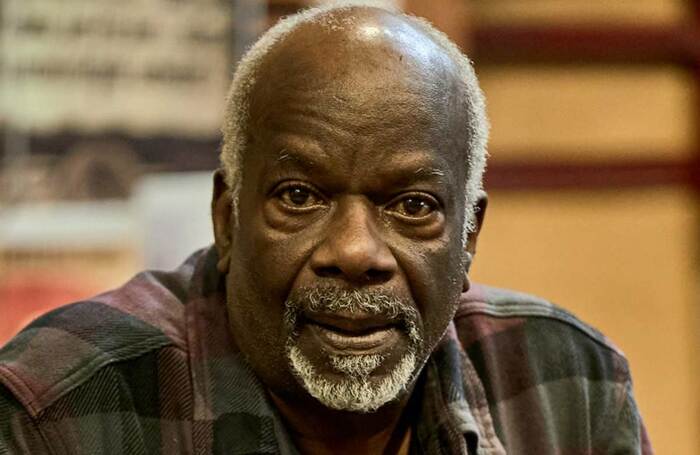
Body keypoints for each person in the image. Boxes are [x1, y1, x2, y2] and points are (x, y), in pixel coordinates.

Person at [0, 3, 652, 454]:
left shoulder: (571, 385)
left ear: (469, 237)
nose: (356, 251)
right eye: (300, 196)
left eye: (414, 206)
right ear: (226, 219)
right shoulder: (63, 406)